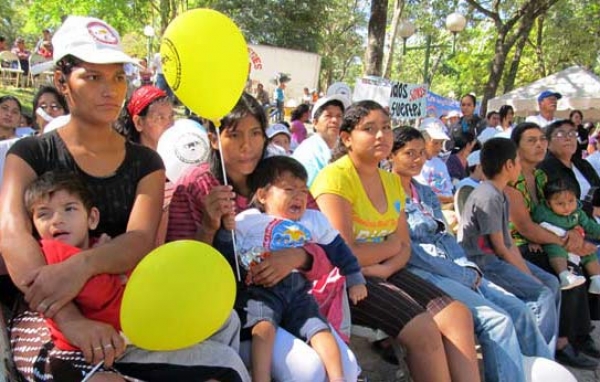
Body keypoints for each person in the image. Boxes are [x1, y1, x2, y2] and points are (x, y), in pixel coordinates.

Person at [0, 15, 251, 381]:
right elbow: (12, 235)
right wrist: (71, 320)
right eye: (93, 76)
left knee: (223, 322)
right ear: (61, 81)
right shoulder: (31, 152)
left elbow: (138, 240)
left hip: (126, 304)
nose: (110, 89)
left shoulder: (145, 161)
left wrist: (80, 266)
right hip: (47, 312)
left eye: (118, 76)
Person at [166, 92, 360, 382]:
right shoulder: (196, 185)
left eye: (256, 133)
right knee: (307, 370)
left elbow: (321, 238)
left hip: (297, 297)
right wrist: (208, 226)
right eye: (234, 135)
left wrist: (299, 256)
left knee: (346, 366)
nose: (247, 145)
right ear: (214, 137)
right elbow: (183, 272)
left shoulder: (282, 176)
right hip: (238, 310)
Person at [312, 100, 480, 382]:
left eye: (386, 128)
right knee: (423, 329)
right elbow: (344, 254)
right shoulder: (335, 178)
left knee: (458, 315)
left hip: (384, 271)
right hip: (348, 280)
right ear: (346, 138)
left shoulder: (390, 182)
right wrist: (388, 249)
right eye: (369, 128)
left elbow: (403, 246)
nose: (381, 135)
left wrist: (385, 268)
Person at [390, 127, 553, 382]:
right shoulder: (387, 192)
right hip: (423, 271)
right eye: (409, 153)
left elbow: (446, 236)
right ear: (391, 155)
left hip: (456, 265)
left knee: (519, 310)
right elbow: (410, 250)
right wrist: (461, 274)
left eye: (421, 153)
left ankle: (545, 373)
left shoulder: (424, 192)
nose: (418, 159)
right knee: (498, 322)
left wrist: (467, 267)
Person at [236, 156, 367, 382]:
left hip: (299, 292)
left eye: (303, 191)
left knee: (319, 330)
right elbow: (228, 249)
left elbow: (339, 250)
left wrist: (355, 277)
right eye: (289, 189)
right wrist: (222, 229)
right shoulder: (248, 220)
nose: (299, 196)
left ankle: (338, 378)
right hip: (262, 290)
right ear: (262, 195)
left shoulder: (313, 220)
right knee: (263, 328)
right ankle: (260, 377)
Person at [506, 122, 600, 369]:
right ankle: (561, 342)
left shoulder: (540, 175)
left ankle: (580, 334)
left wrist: (573, 234)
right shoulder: (511, 181)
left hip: (547, 237)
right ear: (516, 146)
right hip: (519, 245)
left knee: (574, 265)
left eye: (541, 139)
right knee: (562, 268)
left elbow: (557, 212)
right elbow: (524, 228)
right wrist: (567, 241)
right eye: (531, 140)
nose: (539, 144)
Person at [457, 137, 560, 357]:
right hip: (484, 263)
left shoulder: (500, 194)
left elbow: (508, 243)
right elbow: (501, 248)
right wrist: (529, 277)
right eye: (518, 162)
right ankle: (538, 358)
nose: (521, 167)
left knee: (552, 282)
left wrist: (528, 272)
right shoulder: (488, 196)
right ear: (508, 166)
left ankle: (548, 351)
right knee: (542, 294)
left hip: (498, 259)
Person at [24, 172, 124, 351]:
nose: (57, 220)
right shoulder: (51, 250)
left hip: (118, 337)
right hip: (83, 347)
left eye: (69, 209)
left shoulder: (96, 244)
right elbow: (97, 294)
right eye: (44, 214)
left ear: (92, 218)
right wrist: (106, 263)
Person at [532, 178, 600, 292]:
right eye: (560, 203)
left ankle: (596, 279)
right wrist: (533, 241)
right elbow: (533, 226)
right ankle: (564, 275)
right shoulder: (543, 212)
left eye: (571, 201)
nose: (567, 207)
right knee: (556, 250)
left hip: (576, 242)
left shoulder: (578, 212)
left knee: (589, 253)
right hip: (554, 240)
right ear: (548, 203)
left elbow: (589, 225)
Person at [538, 119, 600, 218]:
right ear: (548, 143)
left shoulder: (583, 164)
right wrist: (591, 210)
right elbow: (554, 202)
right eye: (560, 134)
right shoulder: (544, 169)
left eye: (572, 133)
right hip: (571, 223)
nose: (568, 138)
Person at [293, 94, 348, 187]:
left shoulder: (346, 148)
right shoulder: (307, 152)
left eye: (339, 116)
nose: (335, 120)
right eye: (328, 115)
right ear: (315, 123)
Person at [115, 85, 174, 150]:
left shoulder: (176, 154)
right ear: (139, 123)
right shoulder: (128, 158)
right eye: (160, 118)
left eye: (171, 116)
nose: (170, 125)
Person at [415, 119, 454, 205]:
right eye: (435, 143)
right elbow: (424, 195)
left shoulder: (440, 164)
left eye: (441, 143)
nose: (439, 147)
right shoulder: (415, 164)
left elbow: (448, 192)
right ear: (423, 141)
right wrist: (447, 199)